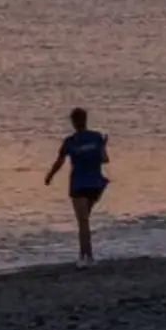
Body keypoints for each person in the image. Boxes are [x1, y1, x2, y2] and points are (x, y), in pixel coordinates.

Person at [43, 106, 109, 265]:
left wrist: (49, 176)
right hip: (96, 184)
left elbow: (59, 162)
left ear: (73, 122)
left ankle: (85, 257)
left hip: (79, 185)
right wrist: (103, 145)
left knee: (83, 222)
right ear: (85, 120)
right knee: (84, 220)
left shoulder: (70, 141)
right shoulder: (96, 137)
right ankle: (87, 256)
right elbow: (104, 159)